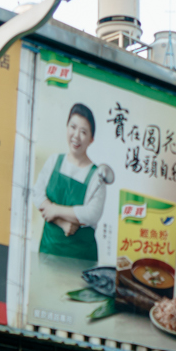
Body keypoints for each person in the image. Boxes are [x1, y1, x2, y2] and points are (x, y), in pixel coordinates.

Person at [34, 103, 115, 262]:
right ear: (67, 128)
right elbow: (37, 195)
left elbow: (92, 214)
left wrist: (55, 209)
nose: (76, 136)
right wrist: (62, 222)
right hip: (48, 250)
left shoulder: (97, 176)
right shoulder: (54, 161)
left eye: (83, 132)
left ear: (91, 139)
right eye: (73, 127)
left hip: (81, 258)